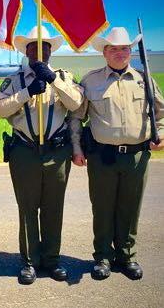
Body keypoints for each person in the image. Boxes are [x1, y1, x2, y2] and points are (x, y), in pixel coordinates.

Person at [70, 27, 164, 280]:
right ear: (104, 52)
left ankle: (126, 256)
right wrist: (77, 149)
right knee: (102, 208)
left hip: (137, 156)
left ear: (131, 51)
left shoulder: (145, 80)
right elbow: (77, 118)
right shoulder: (91, 81)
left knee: (130, 208)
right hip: (102, 157)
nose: (119, 53)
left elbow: (160, 113)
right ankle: (102, 257)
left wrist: (162, 133)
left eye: (124, 48)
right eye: (113, 48)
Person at [0, 26, 84, 284]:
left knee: (53, 209)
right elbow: (1, 110)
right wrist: (26, 93)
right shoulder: (15, 80)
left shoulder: (64, 77)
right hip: (24, 151)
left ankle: (52, 260)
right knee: (27, 209)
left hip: (57, 152)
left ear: (50, 50)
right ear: (26, 51)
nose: (39, 51)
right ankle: (29, 261)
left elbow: (76, 103)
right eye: (33, 46)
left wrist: (53, 80)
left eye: (44, 46)